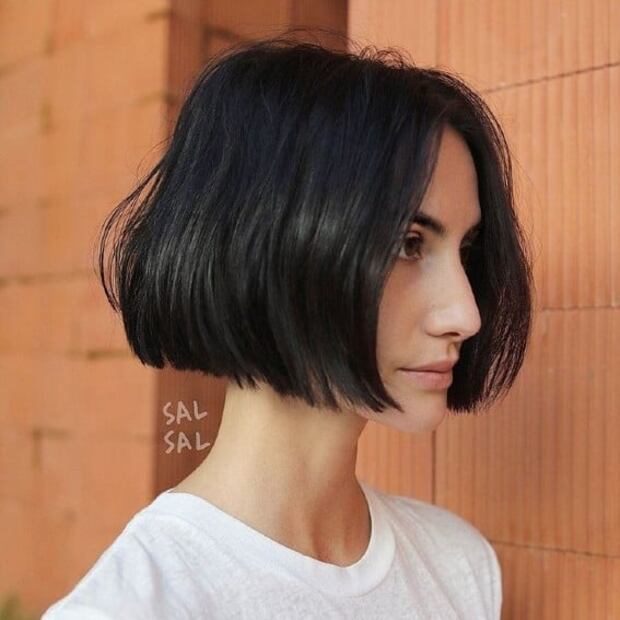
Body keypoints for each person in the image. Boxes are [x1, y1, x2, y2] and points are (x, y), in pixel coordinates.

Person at [42, 28, 533, 619]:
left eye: (466, 249)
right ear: (270, 246)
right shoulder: (139, 606)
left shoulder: (458, 566)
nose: (466, 314)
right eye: (408, 244)